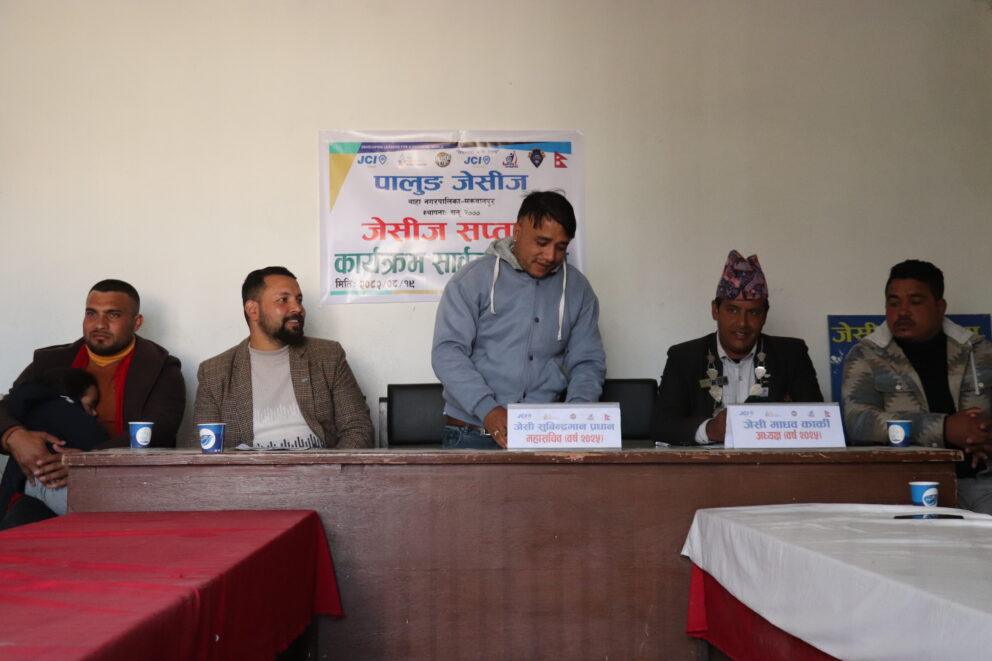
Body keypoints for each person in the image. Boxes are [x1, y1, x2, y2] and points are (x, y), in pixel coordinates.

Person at [431, 190, 606, 449]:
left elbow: (588, 363)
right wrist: (488, 409)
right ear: (518, 231)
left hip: (544, 434)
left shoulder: (578, 290)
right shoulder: (472, 280)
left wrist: (575, 418)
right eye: (542, 242)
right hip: (472, 434)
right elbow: (447, 353)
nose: (550, 256)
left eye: (561, 247)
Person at [0, 279, 186, 492]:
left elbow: (160, 431)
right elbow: (7, 406)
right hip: (43, 480)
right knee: (21, 510)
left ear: (136, 322)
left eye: (113, 315)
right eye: (91, 314)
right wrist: (13, 436)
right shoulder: (51, 361)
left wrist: (88, 461)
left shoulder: (160, 367)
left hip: (125, 484)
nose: (99, 324)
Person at [842, 260, 992, 512]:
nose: (902, 312)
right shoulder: (866, 355)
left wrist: (985, 435)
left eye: (915, 302)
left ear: (940, 306)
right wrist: (944, 428)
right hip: (901, 483)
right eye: (893, 303)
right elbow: (858, 421)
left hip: (980, 484)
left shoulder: (981, 352)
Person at [652, 250, 823, 445]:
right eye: (732, 310)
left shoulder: (792, 355)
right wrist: (710, 429)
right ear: (715, 310)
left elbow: (817, 421)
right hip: (704, 463)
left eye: (753, 313)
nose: (742, 323)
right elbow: (661, 425)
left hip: (770, 461)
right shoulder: (684, 357)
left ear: (765, 316)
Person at [193, 266, 374, 449]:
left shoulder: (328, 356)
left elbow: (358, 429)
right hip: (250, 468)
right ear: (253, 310)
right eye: (283, 300)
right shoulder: (214, 373)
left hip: (319, 466)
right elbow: (205, 447)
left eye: (299, 300)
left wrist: (331, 467)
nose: (298, 308)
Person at [0, 368, 107, 528]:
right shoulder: (66, 412)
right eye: (90, 404)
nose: (94, 413)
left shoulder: (25, 412)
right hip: (50, 484)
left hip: (19, 491)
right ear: (71, 399)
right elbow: (100, 442)